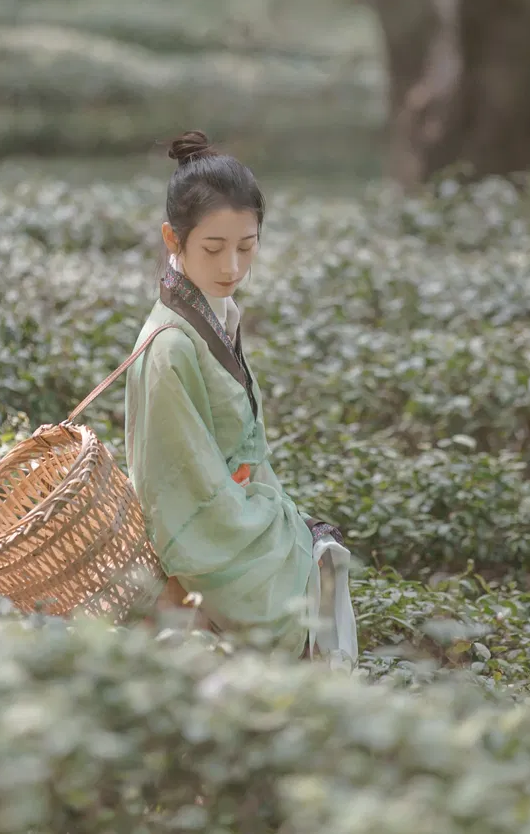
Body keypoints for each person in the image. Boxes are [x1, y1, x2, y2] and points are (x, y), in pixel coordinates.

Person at [124, 130, 352, 661]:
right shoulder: (169, 346)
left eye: (246, 248)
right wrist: (280, 528)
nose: (231, 267)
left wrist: (288, 520)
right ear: (172, 239)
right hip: (210, 540)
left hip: (243, 515)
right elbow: (180, 494)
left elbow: (250, 455)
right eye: (213, 248)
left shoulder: (216, 315)